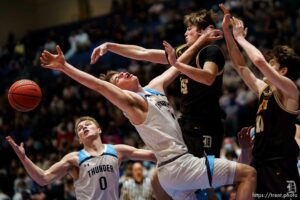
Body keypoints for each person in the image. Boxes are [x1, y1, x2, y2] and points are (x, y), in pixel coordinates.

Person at [39, 45, 256, 200]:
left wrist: (200, 40)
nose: (123, 73)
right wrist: (65, 67)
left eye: (120, 74)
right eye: (117, 80)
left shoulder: (154, 86)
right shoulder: (132, 102)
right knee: (248, 174)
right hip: (178, 165)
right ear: (118, 91)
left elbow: (177, 64)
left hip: (173, 169)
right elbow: (98, 86)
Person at [90, 9, 225, 159]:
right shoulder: (182, 53)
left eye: (189, 29)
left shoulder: (210, 51)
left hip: (206, 121)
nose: (185, 33)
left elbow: (208, 78)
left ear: (204, 31)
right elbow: (143, 53)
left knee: (206, 175)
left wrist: (177, 64)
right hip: (186, 121)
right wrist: (109, 46)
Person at [220, 4, 300, 197]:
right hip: (259, 164)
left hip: (280, 166)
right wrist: (228, 33)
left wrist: (241, 39)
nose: (267, 66)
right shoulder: (264, 90)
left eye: (273, 63)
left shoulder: (290, 90)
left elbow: (259, 62)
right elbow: (240, 66)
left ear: (282, 71)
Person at [6, 116, 156, 200]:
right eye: (80, 128)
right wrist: (23, 158)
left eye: (88, 124)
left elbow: (153, 156)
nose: (84, 127)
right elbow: (43, 178)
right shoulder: (74, 159)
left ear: (99, 130)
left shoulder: (118, 150)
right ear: (79, 139)